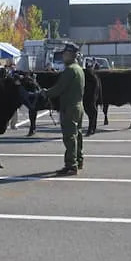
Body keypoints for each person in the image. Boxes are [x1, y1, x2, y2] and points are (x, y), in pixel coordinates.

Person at [42, 43, 85, 175]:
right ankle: (79, 160)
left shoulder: (70, 70)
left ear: (70, 54)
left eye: (65, 54)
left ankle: (71, 165)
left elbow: (59, 88)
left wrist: (46, 93)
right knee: (77, 135)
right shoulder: (79, 69)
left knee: (69, 137)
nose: (63, 56)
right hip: (78, 106)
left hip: (69, 107)